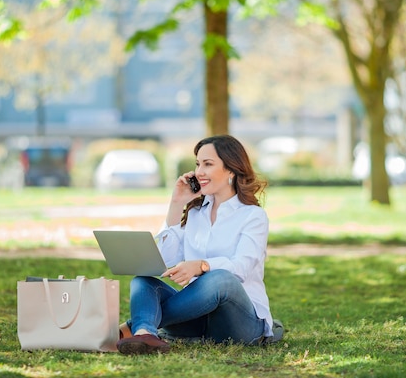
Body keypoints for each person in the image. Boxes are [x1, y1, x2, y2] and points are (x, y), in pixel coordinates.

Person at [116, 134, 282, 355]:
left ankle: (133, 326)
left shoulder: (253, 216)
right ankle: (145, 333)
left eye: (208, 164)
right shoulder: (196, 212)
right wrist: (176, 204)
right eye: (197, 164)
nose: (199, 172)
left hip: (240, 324)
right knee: (143, 282)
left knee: (221, 278)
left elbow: (242, 267)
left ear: (231, 169)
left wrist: (202, 265)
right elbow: (165, 260)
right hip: (196, 319)